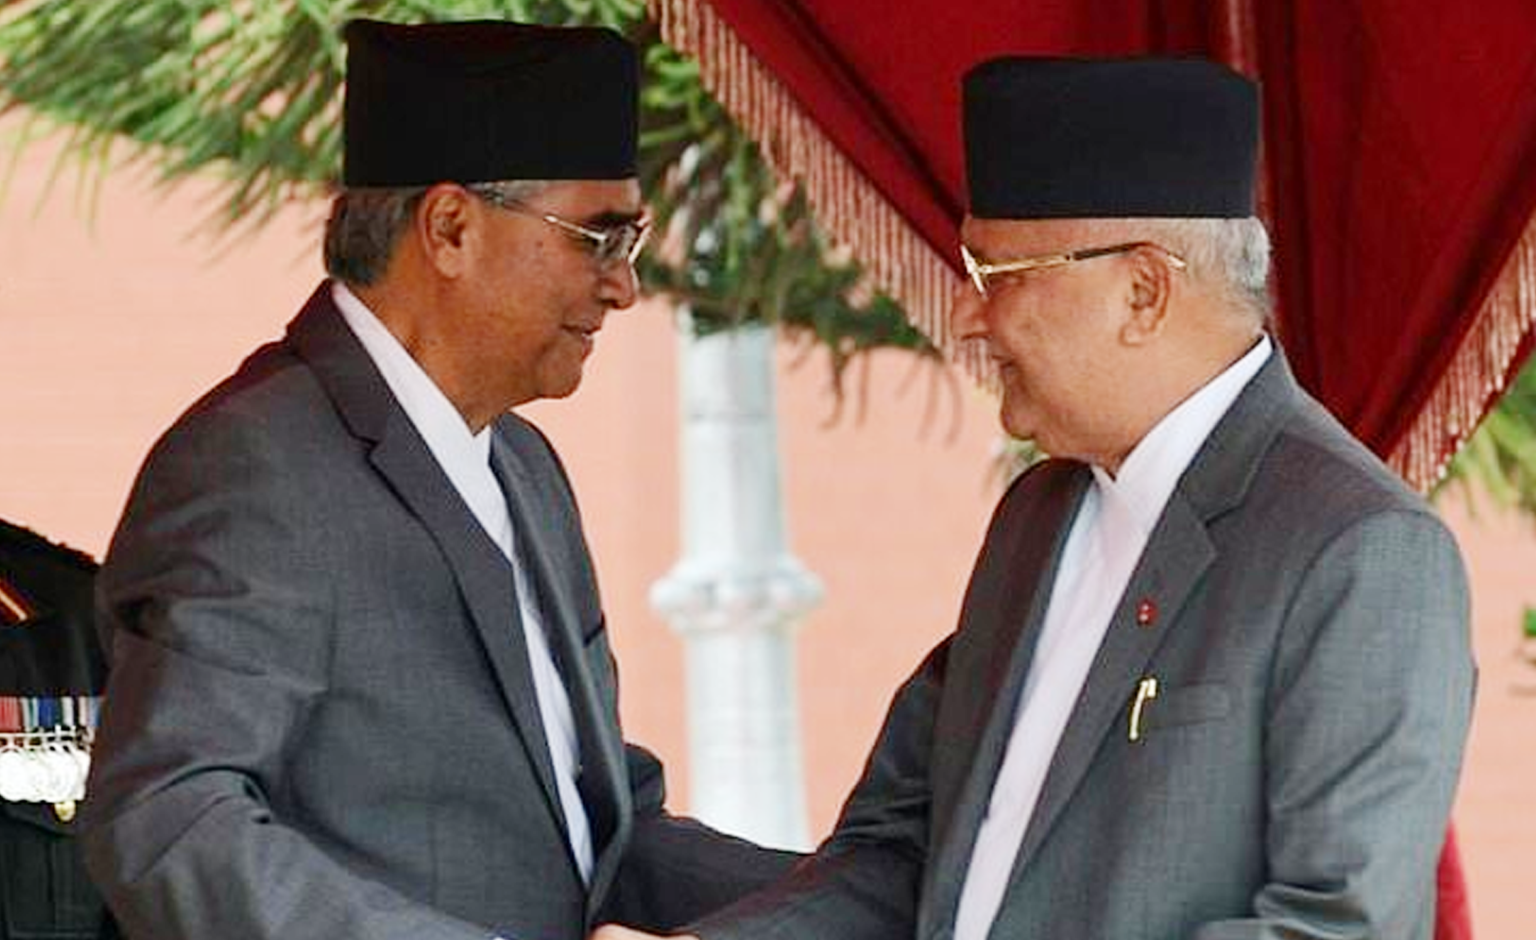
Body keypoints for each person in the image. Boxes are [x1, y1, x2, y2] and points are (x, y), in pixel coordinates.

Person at [595, 55, 1475, 940]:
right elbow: (901, 855)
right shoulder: (1039, 515)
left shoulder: (1361, 550)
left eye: (999, 276)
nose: (967, 318)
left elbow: (1333, 927)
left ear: (1143, 292)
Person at [78, 19, 795, 940]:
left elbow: (598, 841)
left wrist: (870, 903)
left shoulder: (524, 466)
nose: (624, 286)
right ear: (451, 228)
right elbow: (167, 818)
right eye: (598, 238)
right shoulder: (257, 464)